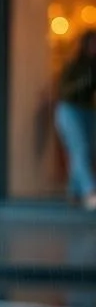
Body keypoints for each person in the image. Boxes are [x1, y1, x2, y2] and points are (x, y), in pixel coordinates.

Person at [55, 30, 96, 211]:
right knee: (80, 148)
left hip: (88, 110)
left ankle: (75, 192)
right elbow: (64, 90)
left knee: (84, 150)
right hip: (69, 109)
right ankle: (90, 192)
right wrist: (86, 82)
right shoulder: (74, 65)